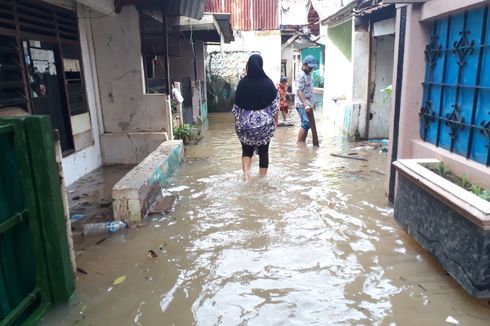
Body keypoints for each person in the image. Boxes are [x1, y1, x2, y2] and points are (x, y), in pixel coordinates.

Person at [232, 54, 279, 181]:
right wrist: (276, 122)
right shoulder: (268, 83)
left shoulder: (242, 83)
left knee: (247, 150)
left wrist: (237, 124)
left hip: (246, 126)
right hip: (264, 126)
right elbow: (275, 106)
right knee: (264, 151)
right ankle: (262, 180)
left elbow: (236, 108)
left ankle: (246, 176)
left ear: (248, 66)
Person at [295, 55, 318, 143]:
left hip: (309, 103)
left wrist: (312, 103)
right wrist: (305, 104)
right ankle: (299, 144)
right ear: (304, 65)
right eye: (310, 67)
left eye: (312, 67)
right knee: (306, 123)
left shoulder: (309, 74)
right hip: (301, 104)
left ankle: (302, 143)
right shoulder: (301, 75)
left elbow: (310, 89)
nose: (311, 69)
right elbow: (299, 90)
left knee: (308, 124)